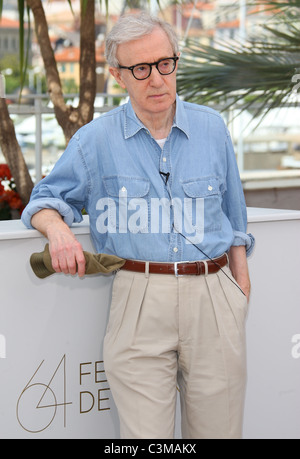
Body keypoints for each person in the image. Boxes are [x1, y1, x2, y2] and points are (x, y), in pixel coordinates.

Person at [22, 12, 254, 439]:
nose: (157, 79)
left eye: (165, 64)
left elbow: (234, 214)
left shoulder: (212, 128)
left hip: (214, 295)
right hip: (139, 297)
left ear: (176, 62)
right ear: (117, 75)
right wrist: (58, 232)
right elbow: (45, 200)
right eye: (140, 69)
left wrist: (238, 285)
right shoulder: (95, 140)